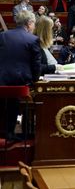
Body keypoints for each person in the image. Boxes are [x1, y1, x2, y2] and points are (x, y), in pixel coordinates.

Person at [0, 10, 41, 141]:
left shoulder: (3, 36)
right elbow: (36, 65)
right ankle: (15, 133)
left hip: (2, 79)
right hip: (20, 81)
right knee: (16, 104)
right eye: (34, 23)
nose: (34, 26)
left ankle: (6, 132)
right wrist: (35, 81)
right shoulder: (33, 39)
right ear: (29, 23)